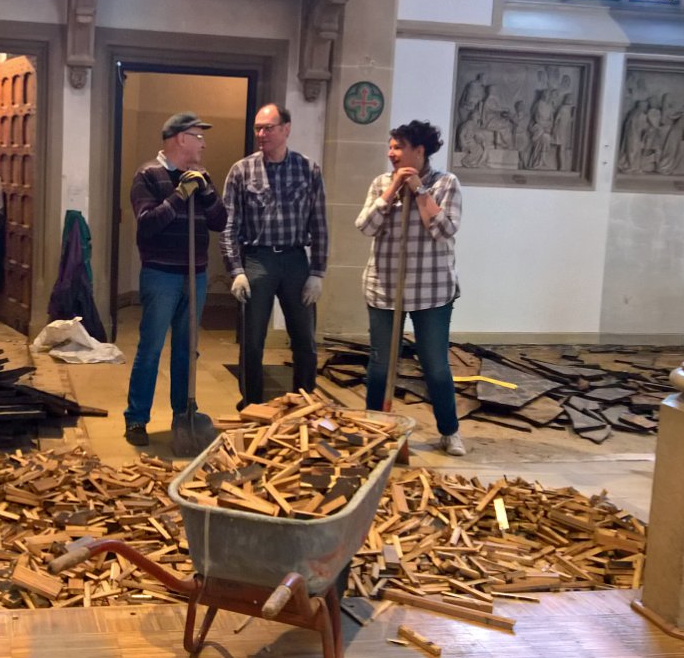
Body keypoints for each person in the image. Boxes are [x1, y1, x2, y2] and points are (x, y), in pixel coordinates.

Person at [354, 120, 466, 457]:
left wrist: (419, 191)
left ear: (419, 151)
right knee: (380, 365)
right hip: (385, 288)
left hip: (431, 290)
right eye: (390, 147)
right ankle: (373, 429)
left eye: (398, 147)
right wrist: (391, 192)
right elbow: (365, 226)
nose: (391, 153)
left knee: (435, 365)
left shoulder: (446, 183)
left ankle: (449, 431)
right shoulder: (381, 183)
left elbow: (444, 229)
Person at [123, 112, 227, 446]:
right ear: (181, 138)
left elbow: (220, 222)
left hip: (195, 275)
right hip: (161, 276)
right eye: (198, 136)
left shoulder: (201, 176)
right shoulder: (148, 175)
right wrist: (179, 195)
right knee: (151, 348)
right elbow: (148, 224)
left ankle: (183, 414)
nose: (203, 143)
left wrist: (206, 191)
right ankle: (136, 419)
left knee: (187, 350)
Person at [221, 103, 328, 409]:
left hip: (295, 260)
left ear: (286, 129)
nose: (261, 134)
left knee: (304, 340)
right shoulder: (242, 171)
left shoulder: (308, 169)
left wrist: (317, 272)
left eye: (268, 128)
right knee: (252, 341)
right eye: (258, 128)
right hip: (258, 259)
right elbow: (229, 225)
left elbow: (319, 223)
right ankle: (252, 404)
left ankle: (303, 404)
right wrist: (236, 270)